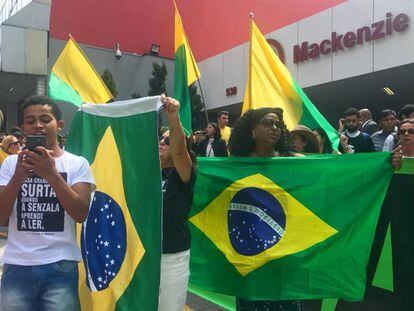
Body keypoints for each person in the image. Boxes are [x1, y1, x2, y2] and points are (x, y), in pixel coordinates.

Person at [0, 95, 95, 310]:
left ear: (59, 125)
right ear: (23, 127)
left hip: (60, 266)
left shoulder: (77, 164)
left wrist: (52, 175)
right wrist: (17, 178)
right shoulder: (10, 165)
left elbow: (81, 213)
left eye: (45, 119)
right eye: (30, 121)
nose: (38, 126)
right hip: (17, 265)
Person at [229, 107, 306, 311]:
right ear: (253, 130)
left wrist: (387, 163)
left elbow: (331, 171)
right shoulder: (237, 166)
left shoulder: (292, 162)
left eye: (278, 124)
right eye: (268, 123)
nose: (274, 128)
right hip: (250, 255)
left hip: (284, 252)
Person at [158, 94, 196, 311]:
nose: (163, 142)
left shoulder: (183, 175)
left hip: (172, 258)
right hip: (144, 254)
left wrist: (173, 118)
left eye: (168, 139)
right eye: (161, 139)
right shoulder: (147, 174)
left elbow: (179, 151)